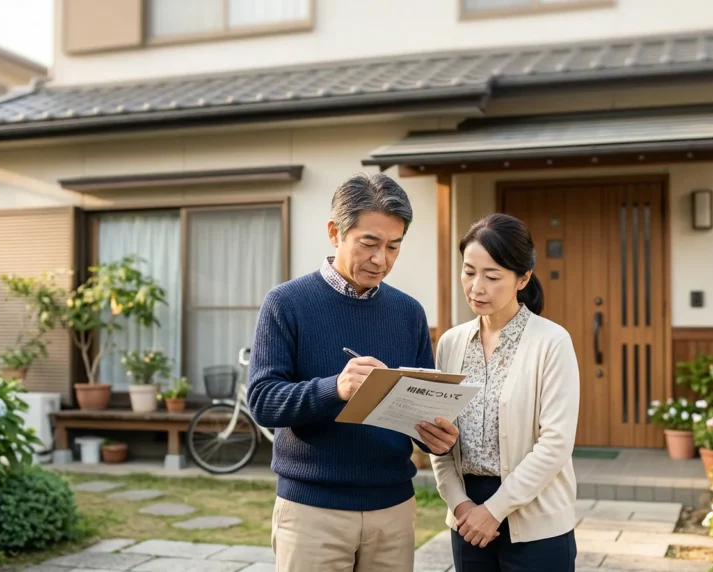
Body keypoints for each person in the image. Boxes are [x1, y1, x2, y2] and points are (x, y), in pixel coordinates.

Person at [247, 172, 460, 572]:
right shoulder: (286, 303)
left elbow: (421, 404)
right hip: (312, 511)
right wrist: (335, 388)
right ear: (335, 232)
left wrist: (437, 436)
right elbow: (261, 400)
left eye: (394, 247)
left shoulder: (408, 312)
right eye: (369, 243)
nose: (382, 259)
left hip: (394, 509)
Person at [430, 213, 580, 572]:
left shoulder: (551, 341)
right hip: (467, 517)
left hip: (536, 519)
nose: (477, 287)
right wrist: (460, 506)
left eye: (492, 276)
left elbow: (556, 443)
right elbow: (438, 435)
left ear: (523, 278)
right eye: (469, 272)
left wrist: (494, 511)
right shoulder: (450, 343)